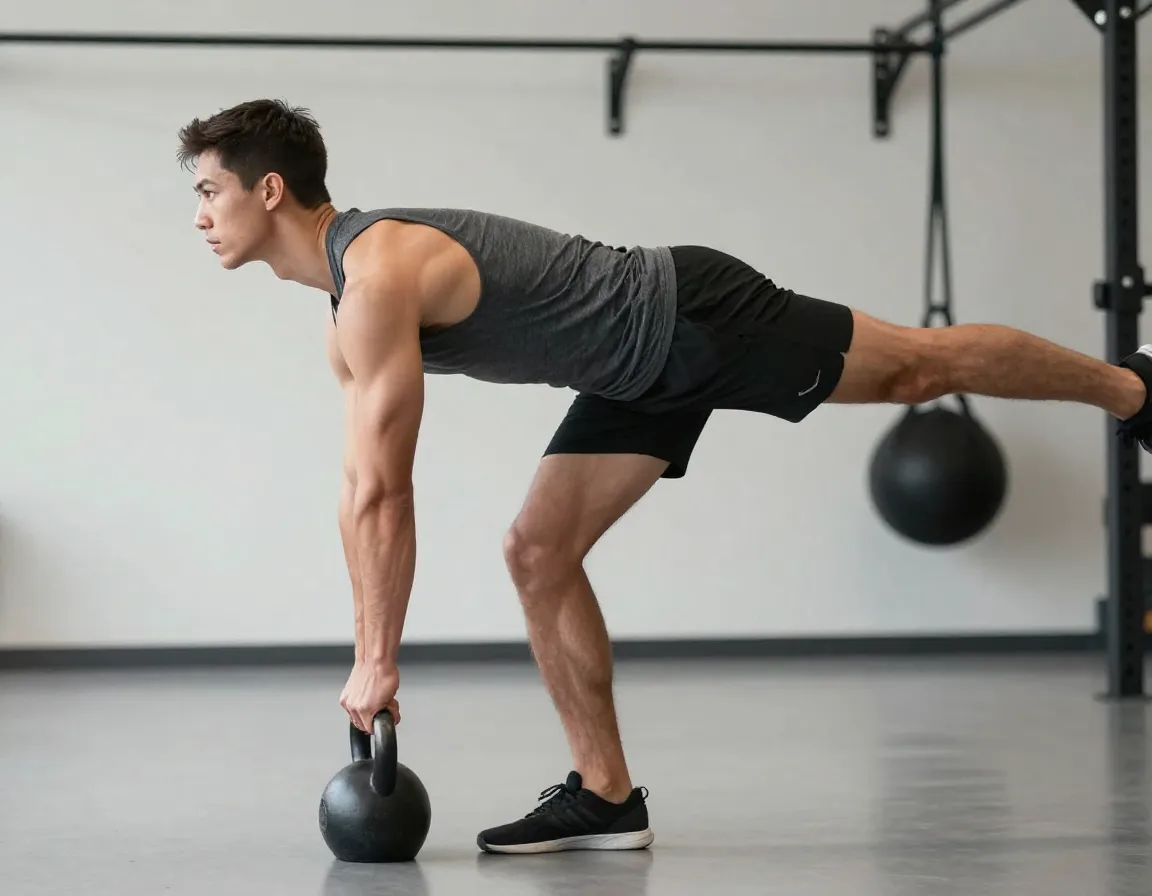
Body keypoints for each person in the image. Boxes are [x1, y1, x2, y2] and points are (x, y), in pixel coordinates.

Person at [178, 98, 1152, 855]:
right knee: (537, 550)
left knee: (919, 367)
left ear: (269, 192)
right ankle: (606, 796)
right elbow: (360, 493)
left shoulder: (379, 269)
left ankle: (1130, 389)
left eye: (209, 192)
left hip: (691, 314)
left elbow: (390, 491)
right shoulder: (344, 313)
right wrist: (369, 655)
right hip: (630, 371)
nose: (199, 217)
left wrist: (379, 659)